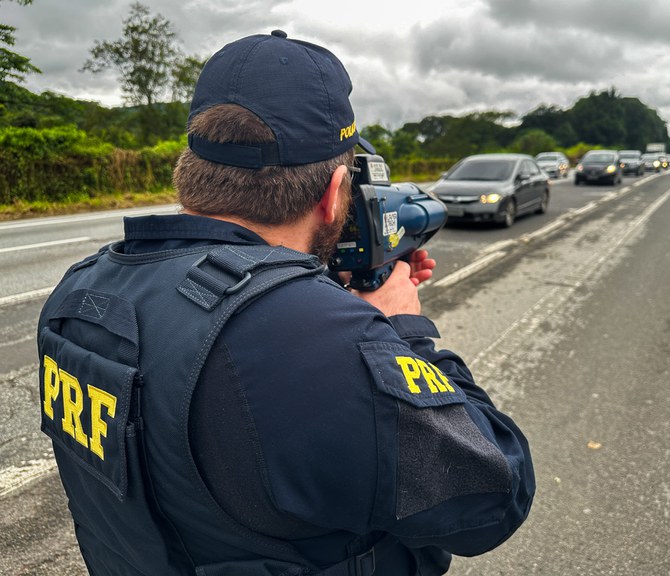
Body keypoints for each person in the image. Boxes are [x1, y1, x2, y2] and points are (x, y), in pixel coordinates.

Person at [37, 30, 534, 575]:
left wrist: (318, 297)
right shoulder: (320, 344)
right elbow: (495, 496)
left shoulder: (82, 291)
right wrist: (402, 330)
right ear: (333, 191)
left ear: (192, 173)